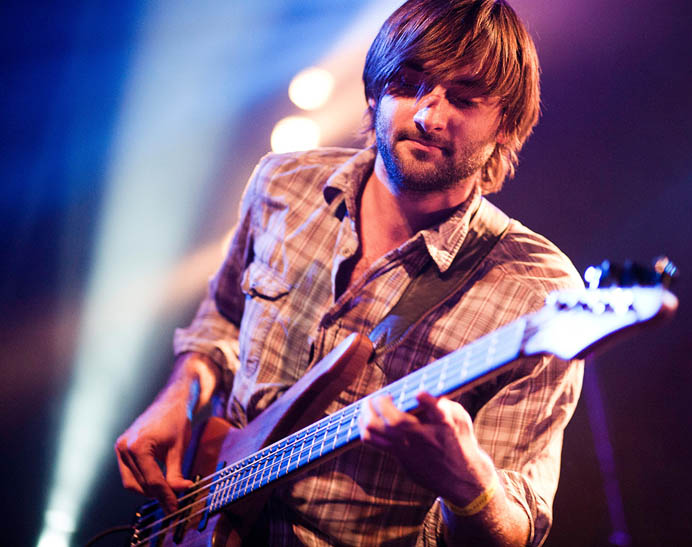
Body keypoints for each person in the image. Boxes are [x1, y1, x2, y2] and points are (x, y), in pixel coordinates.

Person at [115, 0, 584, 545]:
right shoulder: (282, 184)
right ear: (374, 90)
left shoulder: (538, 293)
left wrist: (469, 487)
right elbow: (221, 321)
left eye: (463, 98)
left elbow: (515, 531)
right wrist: (180, 395)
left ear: (505, 125)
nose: (429, 116)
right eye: (409, 84)